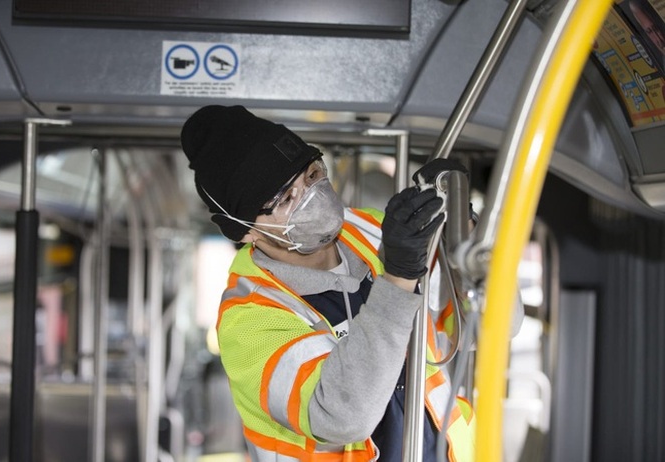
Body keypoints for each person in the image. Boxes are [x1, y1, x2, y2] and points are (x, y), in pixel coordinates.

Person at [180, 105, 476, 461]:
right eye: (285, 199)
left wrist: (464, 234)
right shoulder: (249, 318)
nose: (311, 196)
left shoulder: (376, 231)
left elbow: (490, 328)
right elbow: (342, 416)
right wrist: (398, 279)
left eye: (312, 175)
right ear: (245, 231)